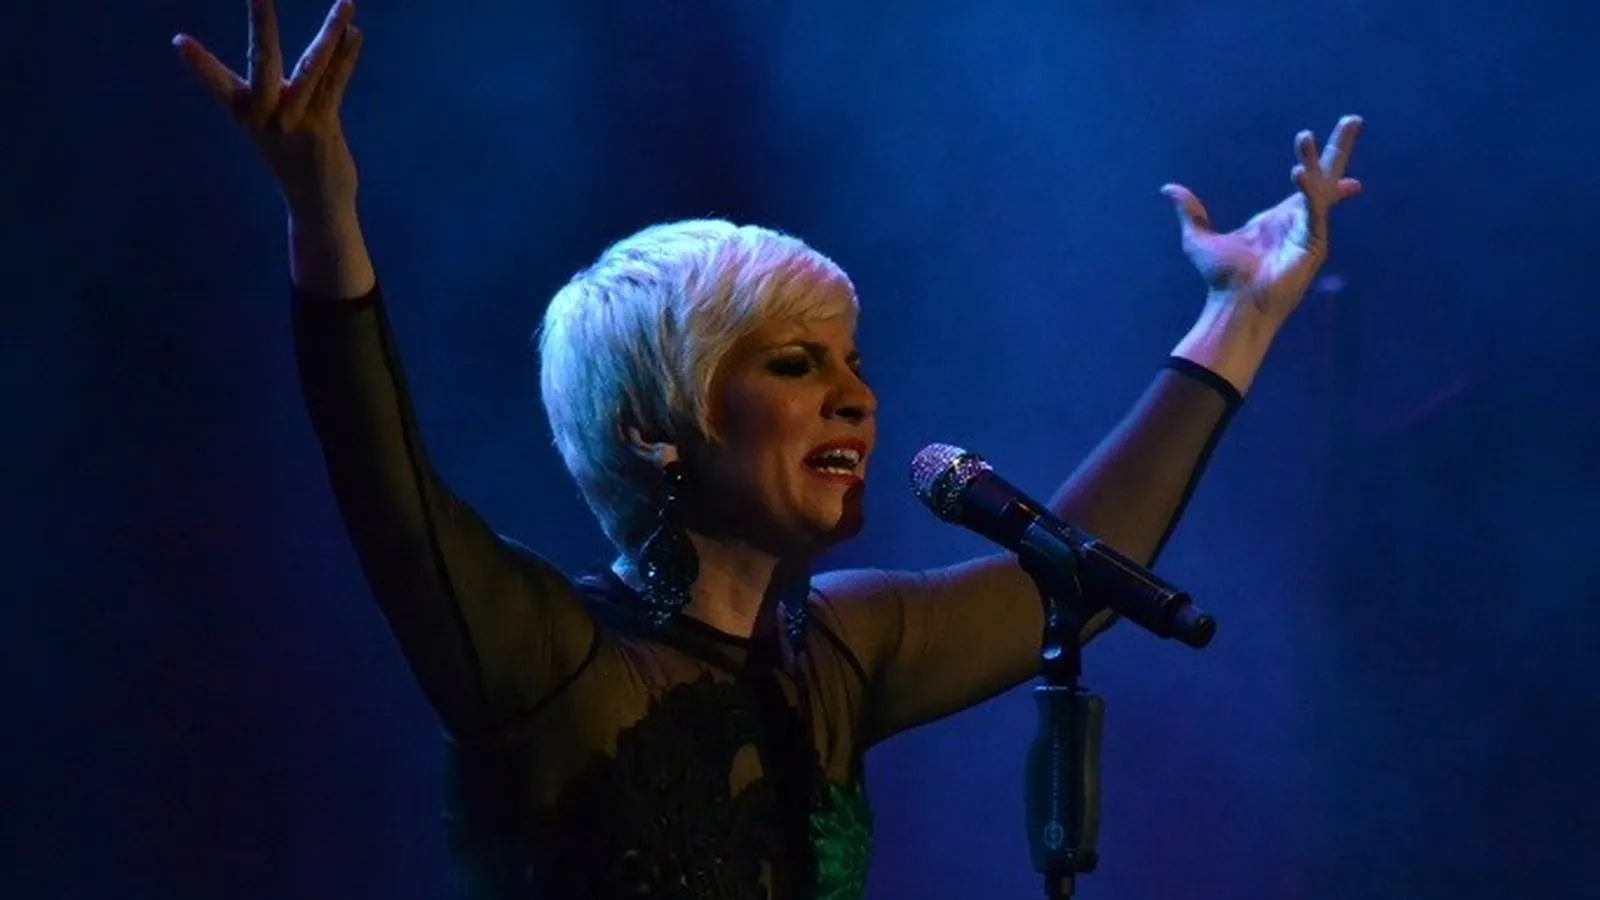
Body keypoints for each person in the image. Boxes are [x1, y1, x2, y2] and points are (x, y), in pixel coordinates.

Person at [173, 2, 1364, 897]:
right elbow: (384, 486)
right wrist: (322, 218)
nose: (855, 398)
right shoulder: (553, 661)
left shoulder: (839, 651)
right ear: (653, 428)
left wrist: (1239, 314)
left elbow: (1074, 569)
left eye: (852, 363)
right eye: (795, 366)